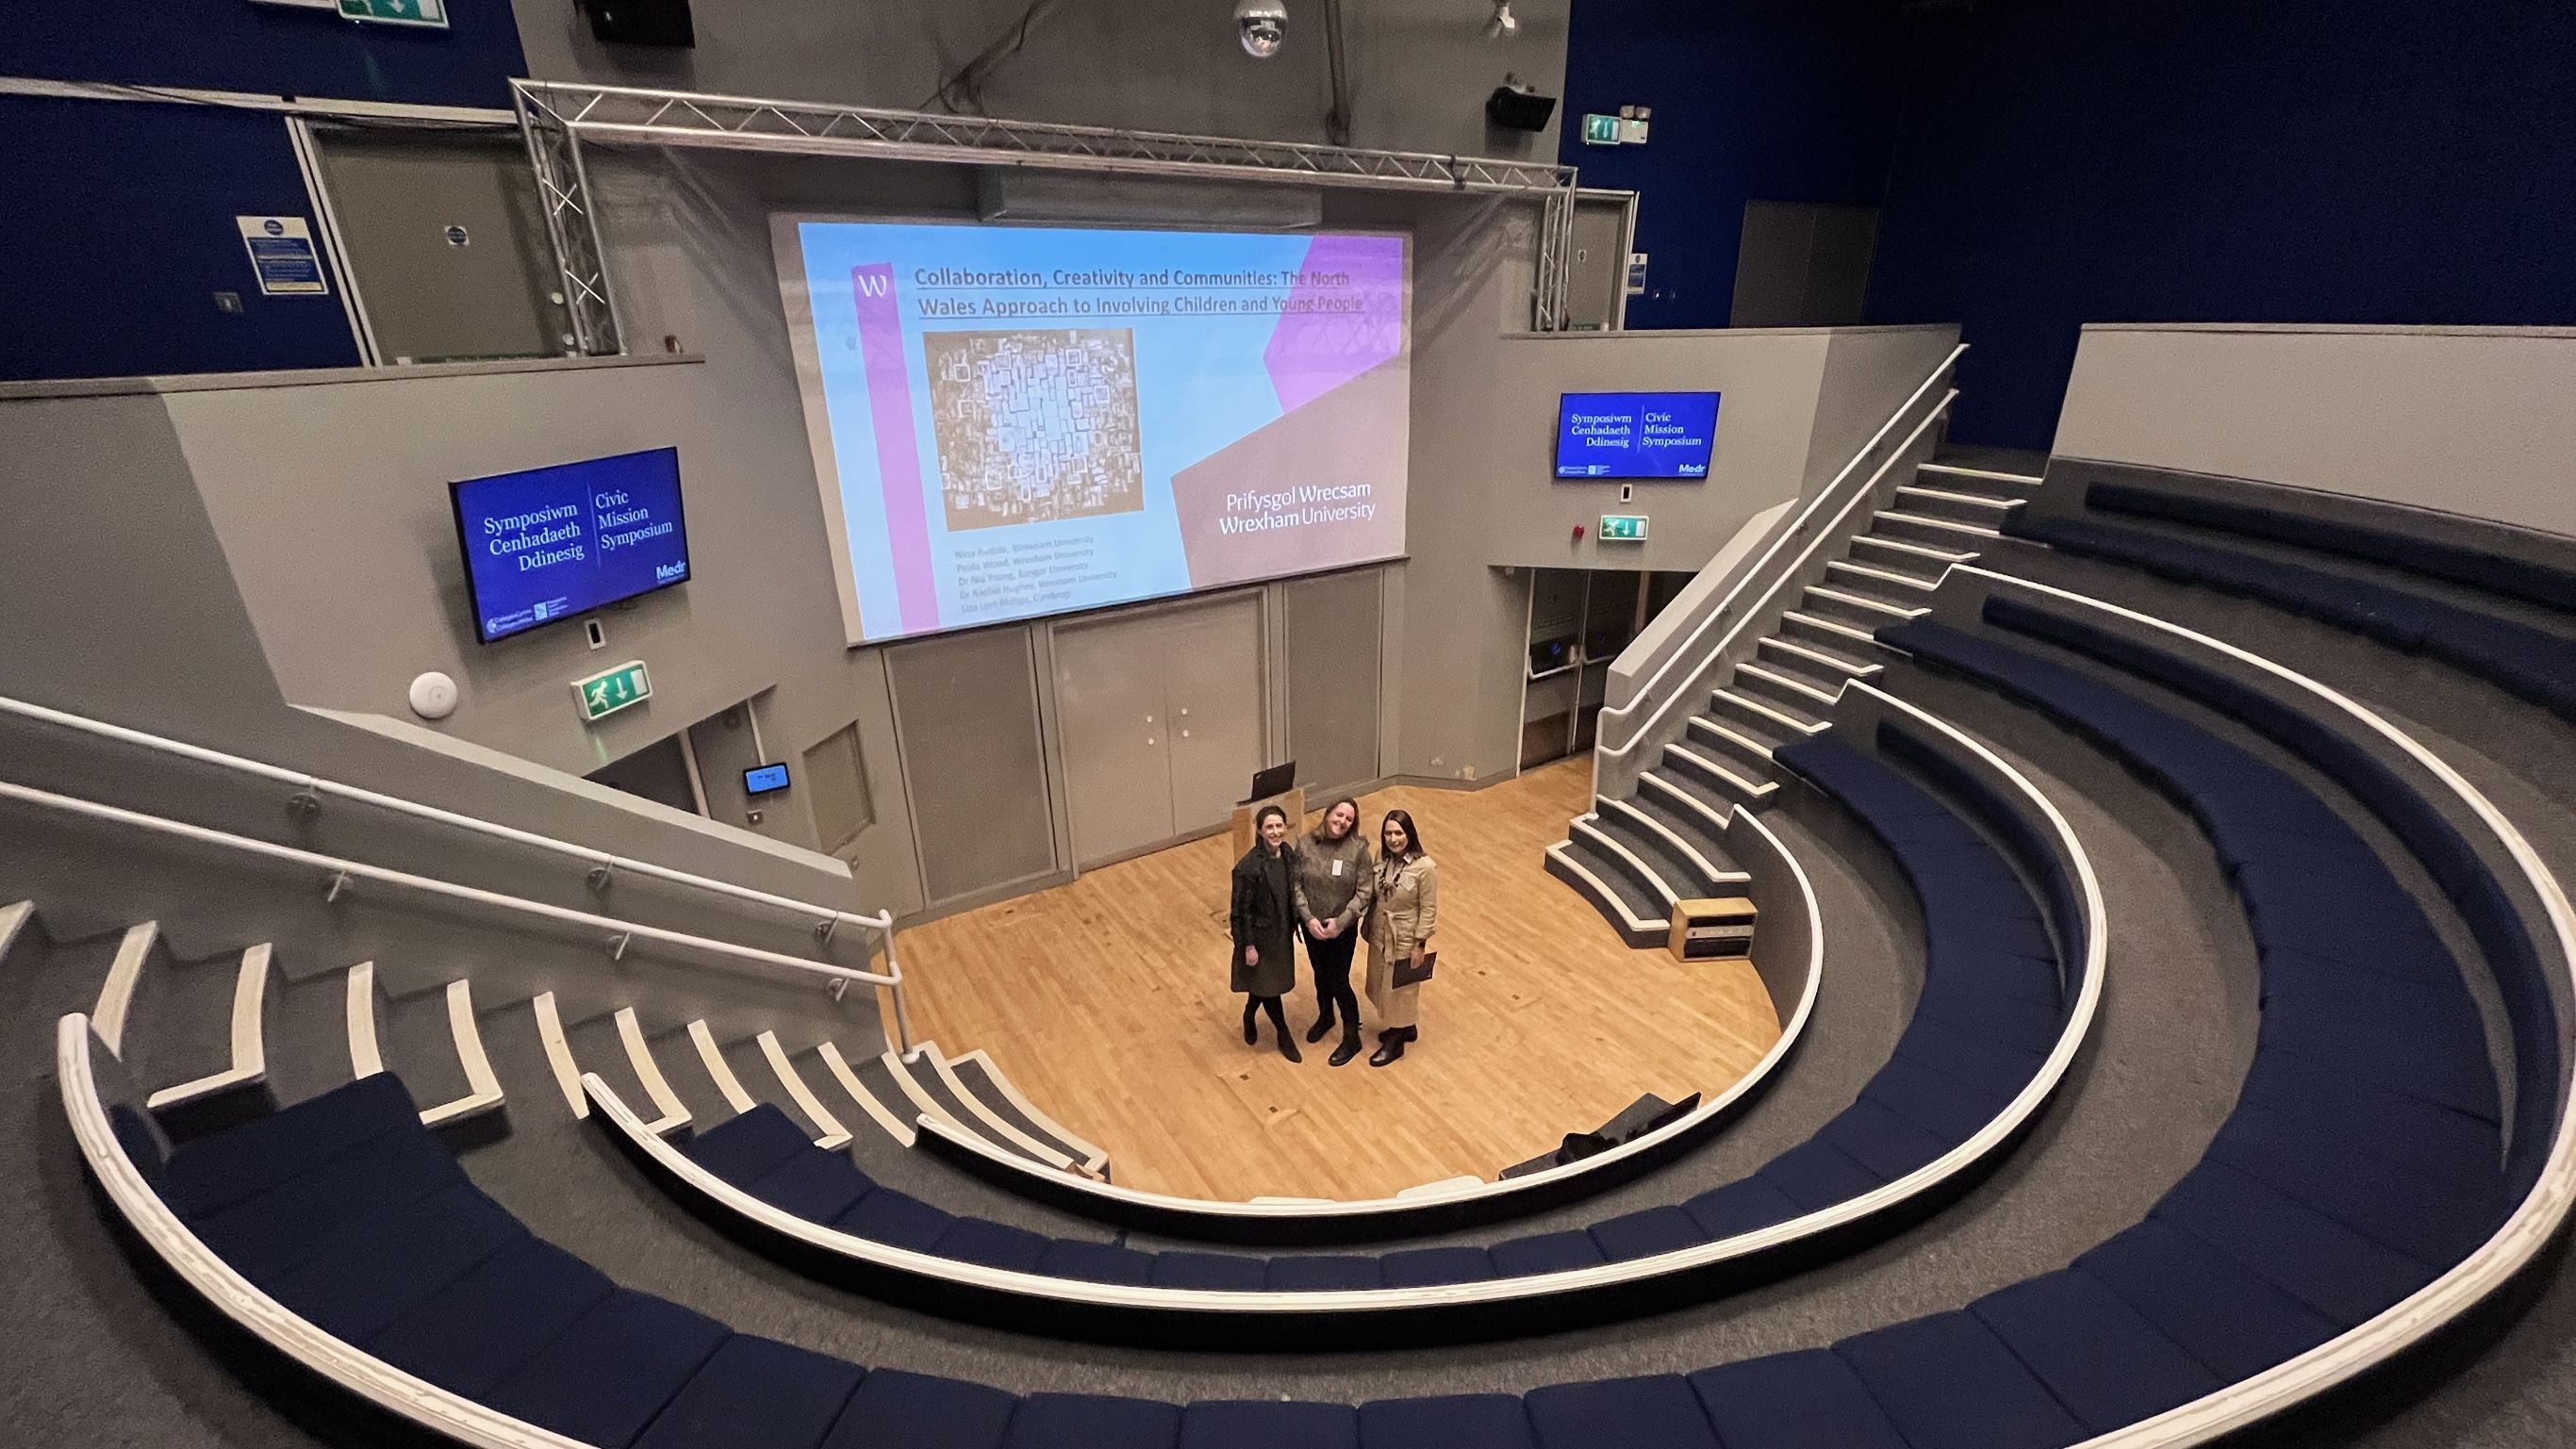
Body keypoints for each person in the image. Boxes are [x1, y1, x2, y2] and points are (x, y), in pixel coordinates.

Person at [1292, 798, 1374, 1067]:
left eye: (1349, 819)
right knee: (1320, 974)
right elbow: (1296, 885)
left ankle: (1352, 1035)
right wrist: (1308, 919)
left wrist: (1341, 922)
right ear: (1328, 814)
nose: (1342, 822)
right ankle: (1326, 1016)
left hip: (1341, 930)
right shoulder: (1305, 844)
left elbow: (1364, 892)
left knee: (1339, 980)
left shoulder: (1358, 851)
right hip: (1313, 927)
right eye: (1339, 815)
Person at [1362, 808, 1438, 1067]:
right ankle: (1406, 1027)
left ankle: (1396, 1040)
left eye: (1399, 833)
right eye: (1388, 833)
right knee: (1381, 981)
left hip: (1405, 936)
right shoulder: (1381, 858)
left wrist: (1420, 944)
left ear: (1409, 834)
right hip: (1380, 931)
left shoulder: (1425, 868)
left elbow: (1428, 909)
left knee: (1400, 988)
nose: (1393, 839)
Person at [1230, 803, 1302, 1062]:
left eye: (1279, 826)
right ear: (1260, 831)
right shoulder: (1248, 868)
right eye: (1269, 827)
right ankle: (1283, 1033)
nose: (1275, 832)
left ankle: (1249, 1013)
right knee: (1270, 987)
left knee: (1265, 983)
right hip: (1260, 939)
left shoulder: (1288, 854)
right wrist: (1247, 946)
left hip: (1281, 934)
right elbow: (1240, 912)